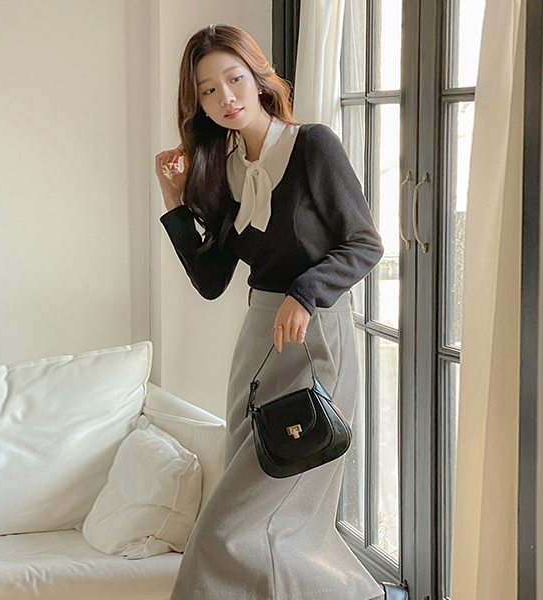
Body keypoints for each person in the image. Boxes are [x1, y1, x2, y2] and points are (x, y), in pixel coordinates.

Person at [155, 23, 385, 600]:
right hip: (257, 347)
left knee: (234, 526)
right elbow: (212, 281)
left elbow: (364, 244)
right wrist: (176, 202)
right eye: (208, 90)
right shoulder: (225, 168)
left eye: (234, 79)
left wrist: (304, 293)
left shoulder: (313, 146)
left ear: (258, 79)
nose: (225, 97)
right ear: (198, 103)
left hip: (313, 339)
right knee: (258, 526)